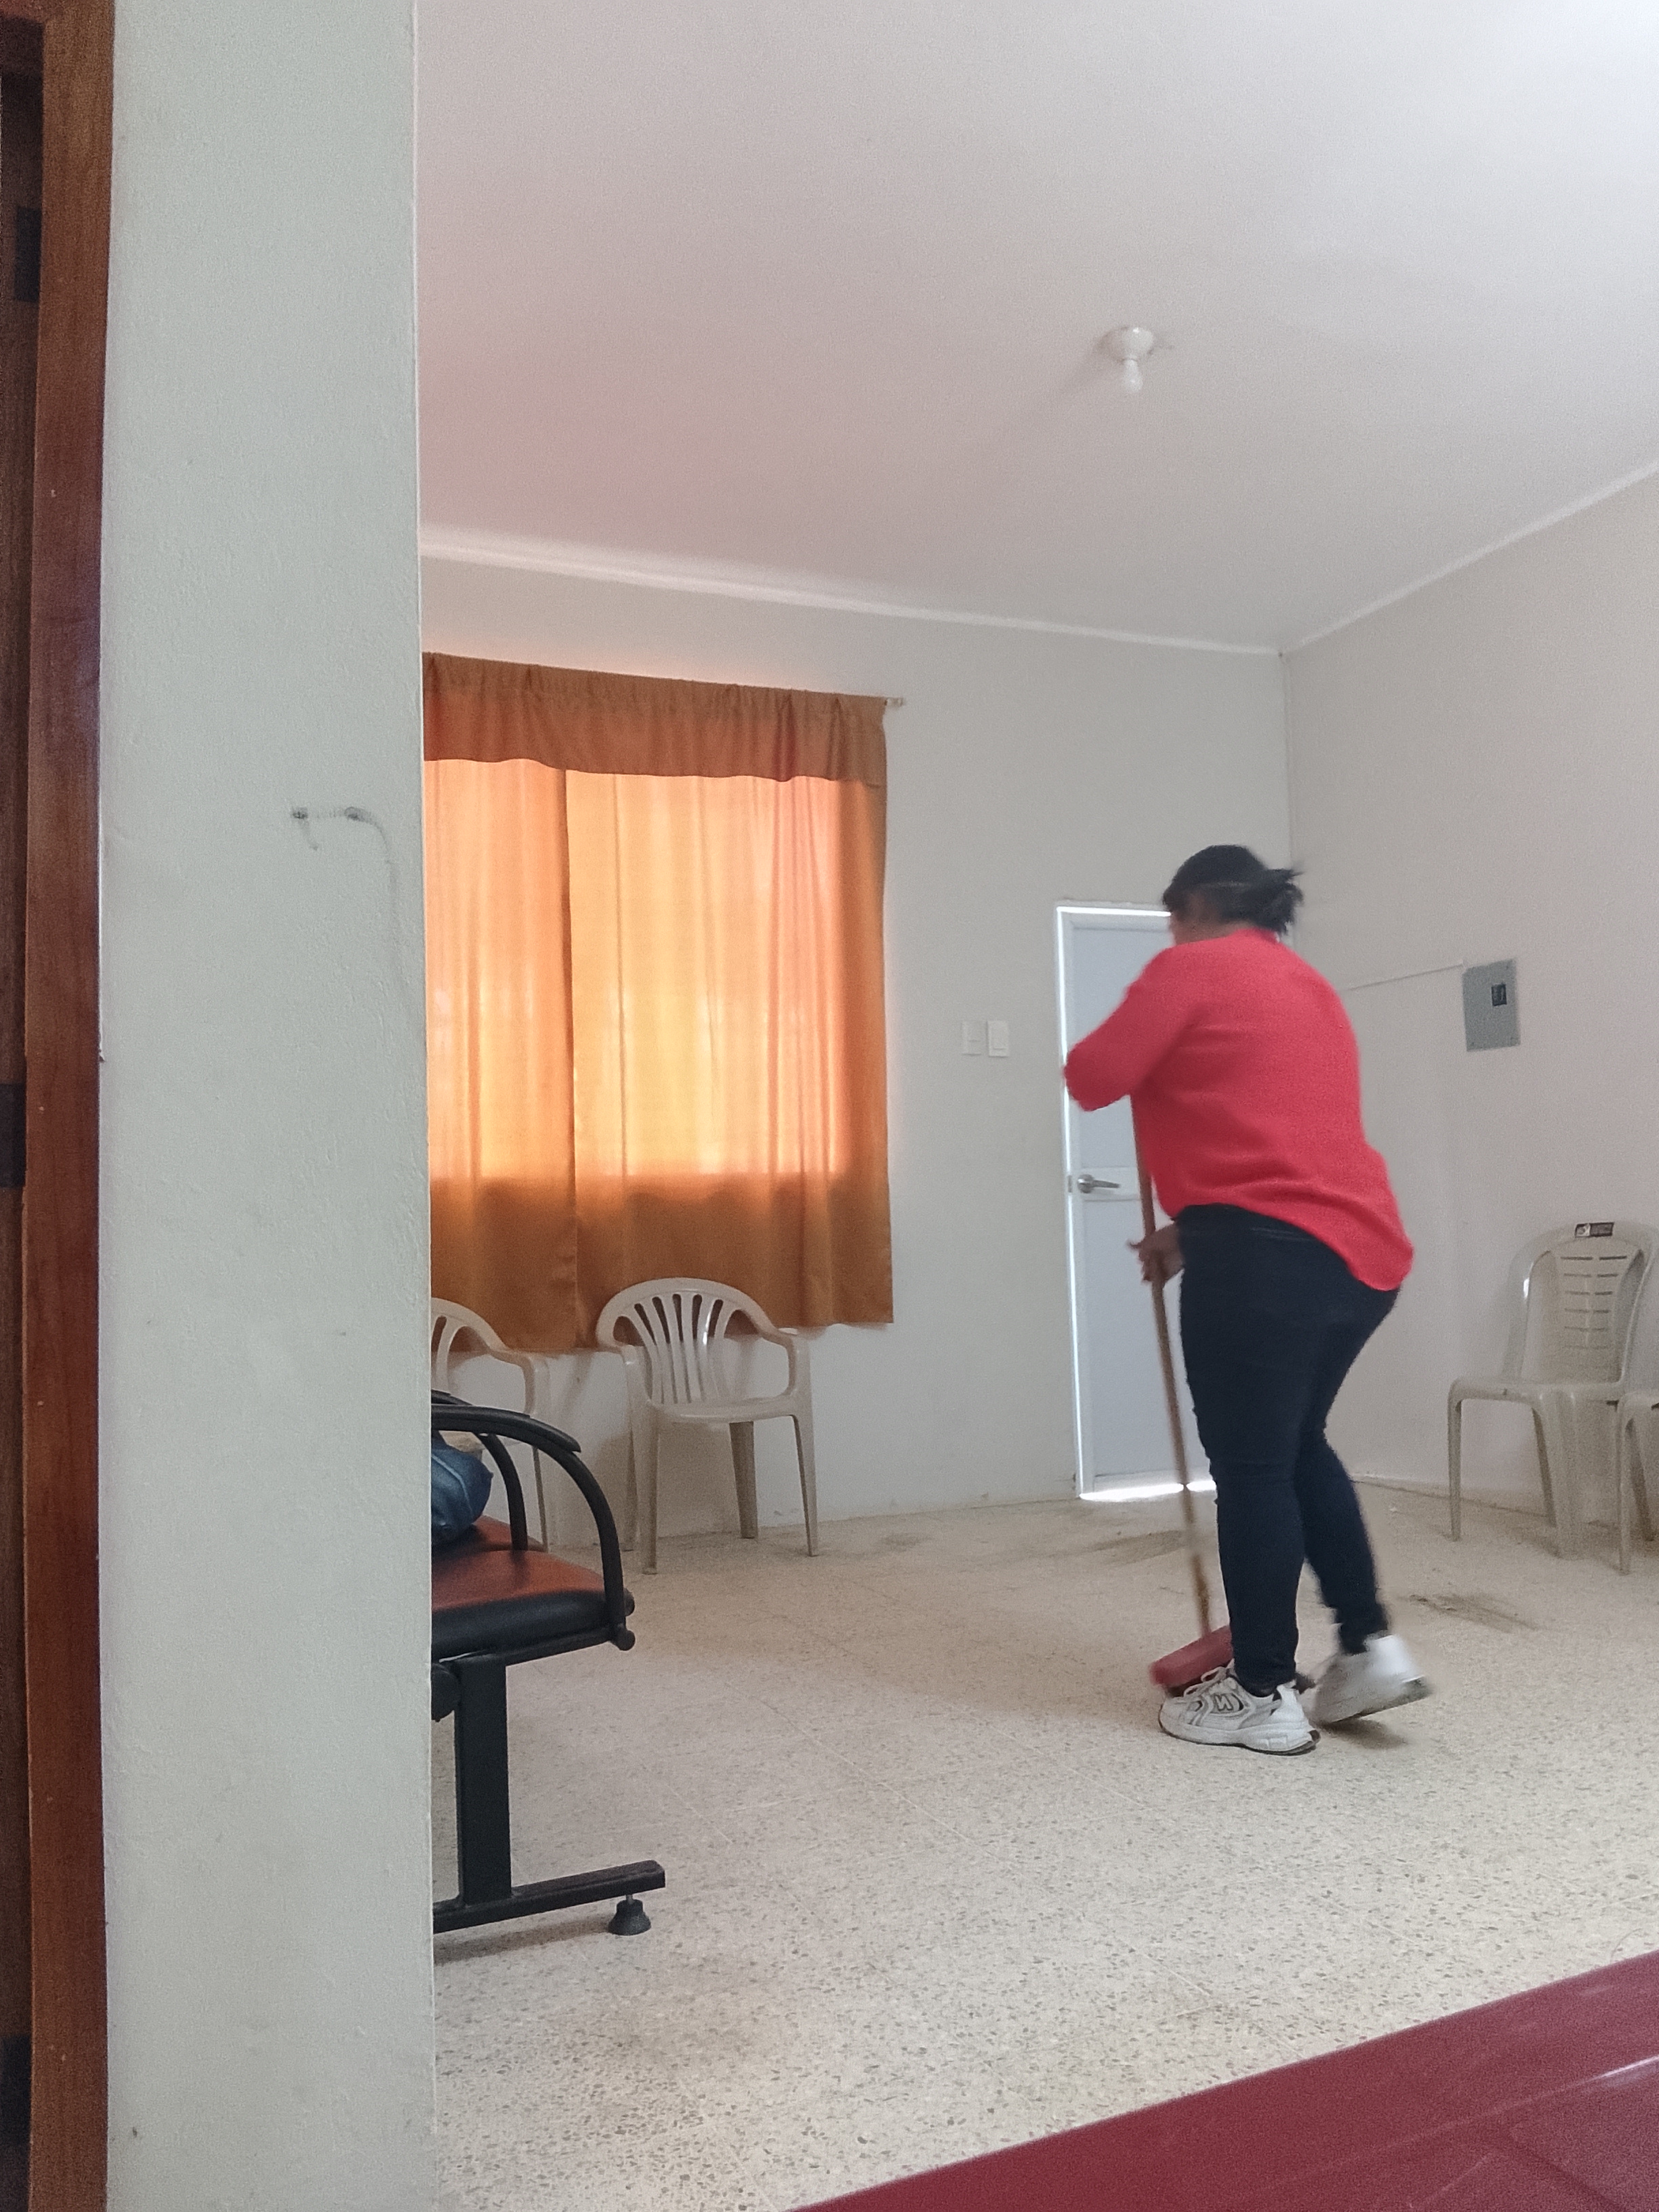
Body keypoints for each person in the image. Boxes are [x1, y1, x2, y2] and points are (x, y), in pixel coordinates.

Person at [1063, 845, 1429, 1755]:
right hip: (1360, 1257)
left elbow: (1091, 1075)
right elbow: (1283, 1141)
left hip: (1265, 1261)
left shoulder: (1188, 968)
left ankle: (1262, 1691)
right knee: (1297, 1446)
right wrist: (1193, 1232)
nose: (1171, 935)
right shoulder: (1308, 986)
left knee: (1255, 1468)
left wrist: (1218, 1228)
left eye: (1172, 920)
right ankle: (1369, 1647)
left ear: (1189, 908)